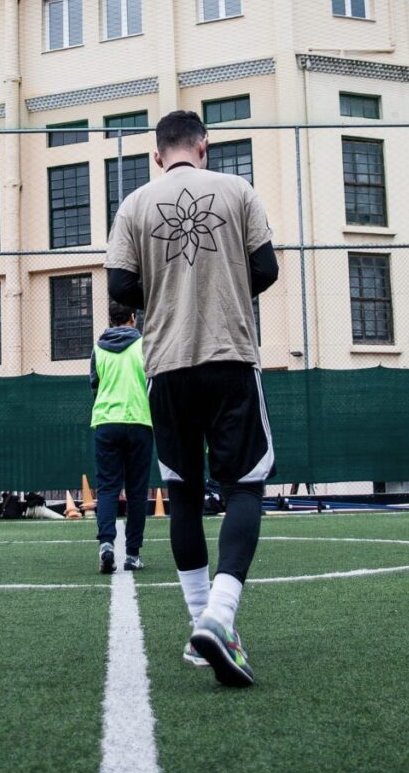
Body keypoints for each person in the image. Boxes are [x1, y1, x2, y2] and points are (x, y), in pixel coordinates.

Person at [105, 109, 279, 688]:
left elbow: (119, 286)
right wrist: (224, 282)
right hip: (230, 357)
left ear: (158, 155)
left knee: (181, 492)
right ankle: (219, 618)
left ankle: (199, 624)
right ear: (204, 146)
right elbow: (266, 268)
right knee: (244, 486)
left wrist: (166, 292)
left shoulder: (134, 205)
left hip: (168, 366)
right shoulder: (238, 190)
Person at [89, 301, 154, 574]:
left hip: (106, 421)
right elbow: (153, 380)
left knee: (107, 487)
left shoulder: (98, 348)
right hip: (139, 420)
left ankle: (106, 544)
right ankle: (133, 554)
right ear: (133, 318)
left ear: (111, 319)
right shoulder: (144, 345)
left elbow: (94, 384)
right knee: (137, 491)